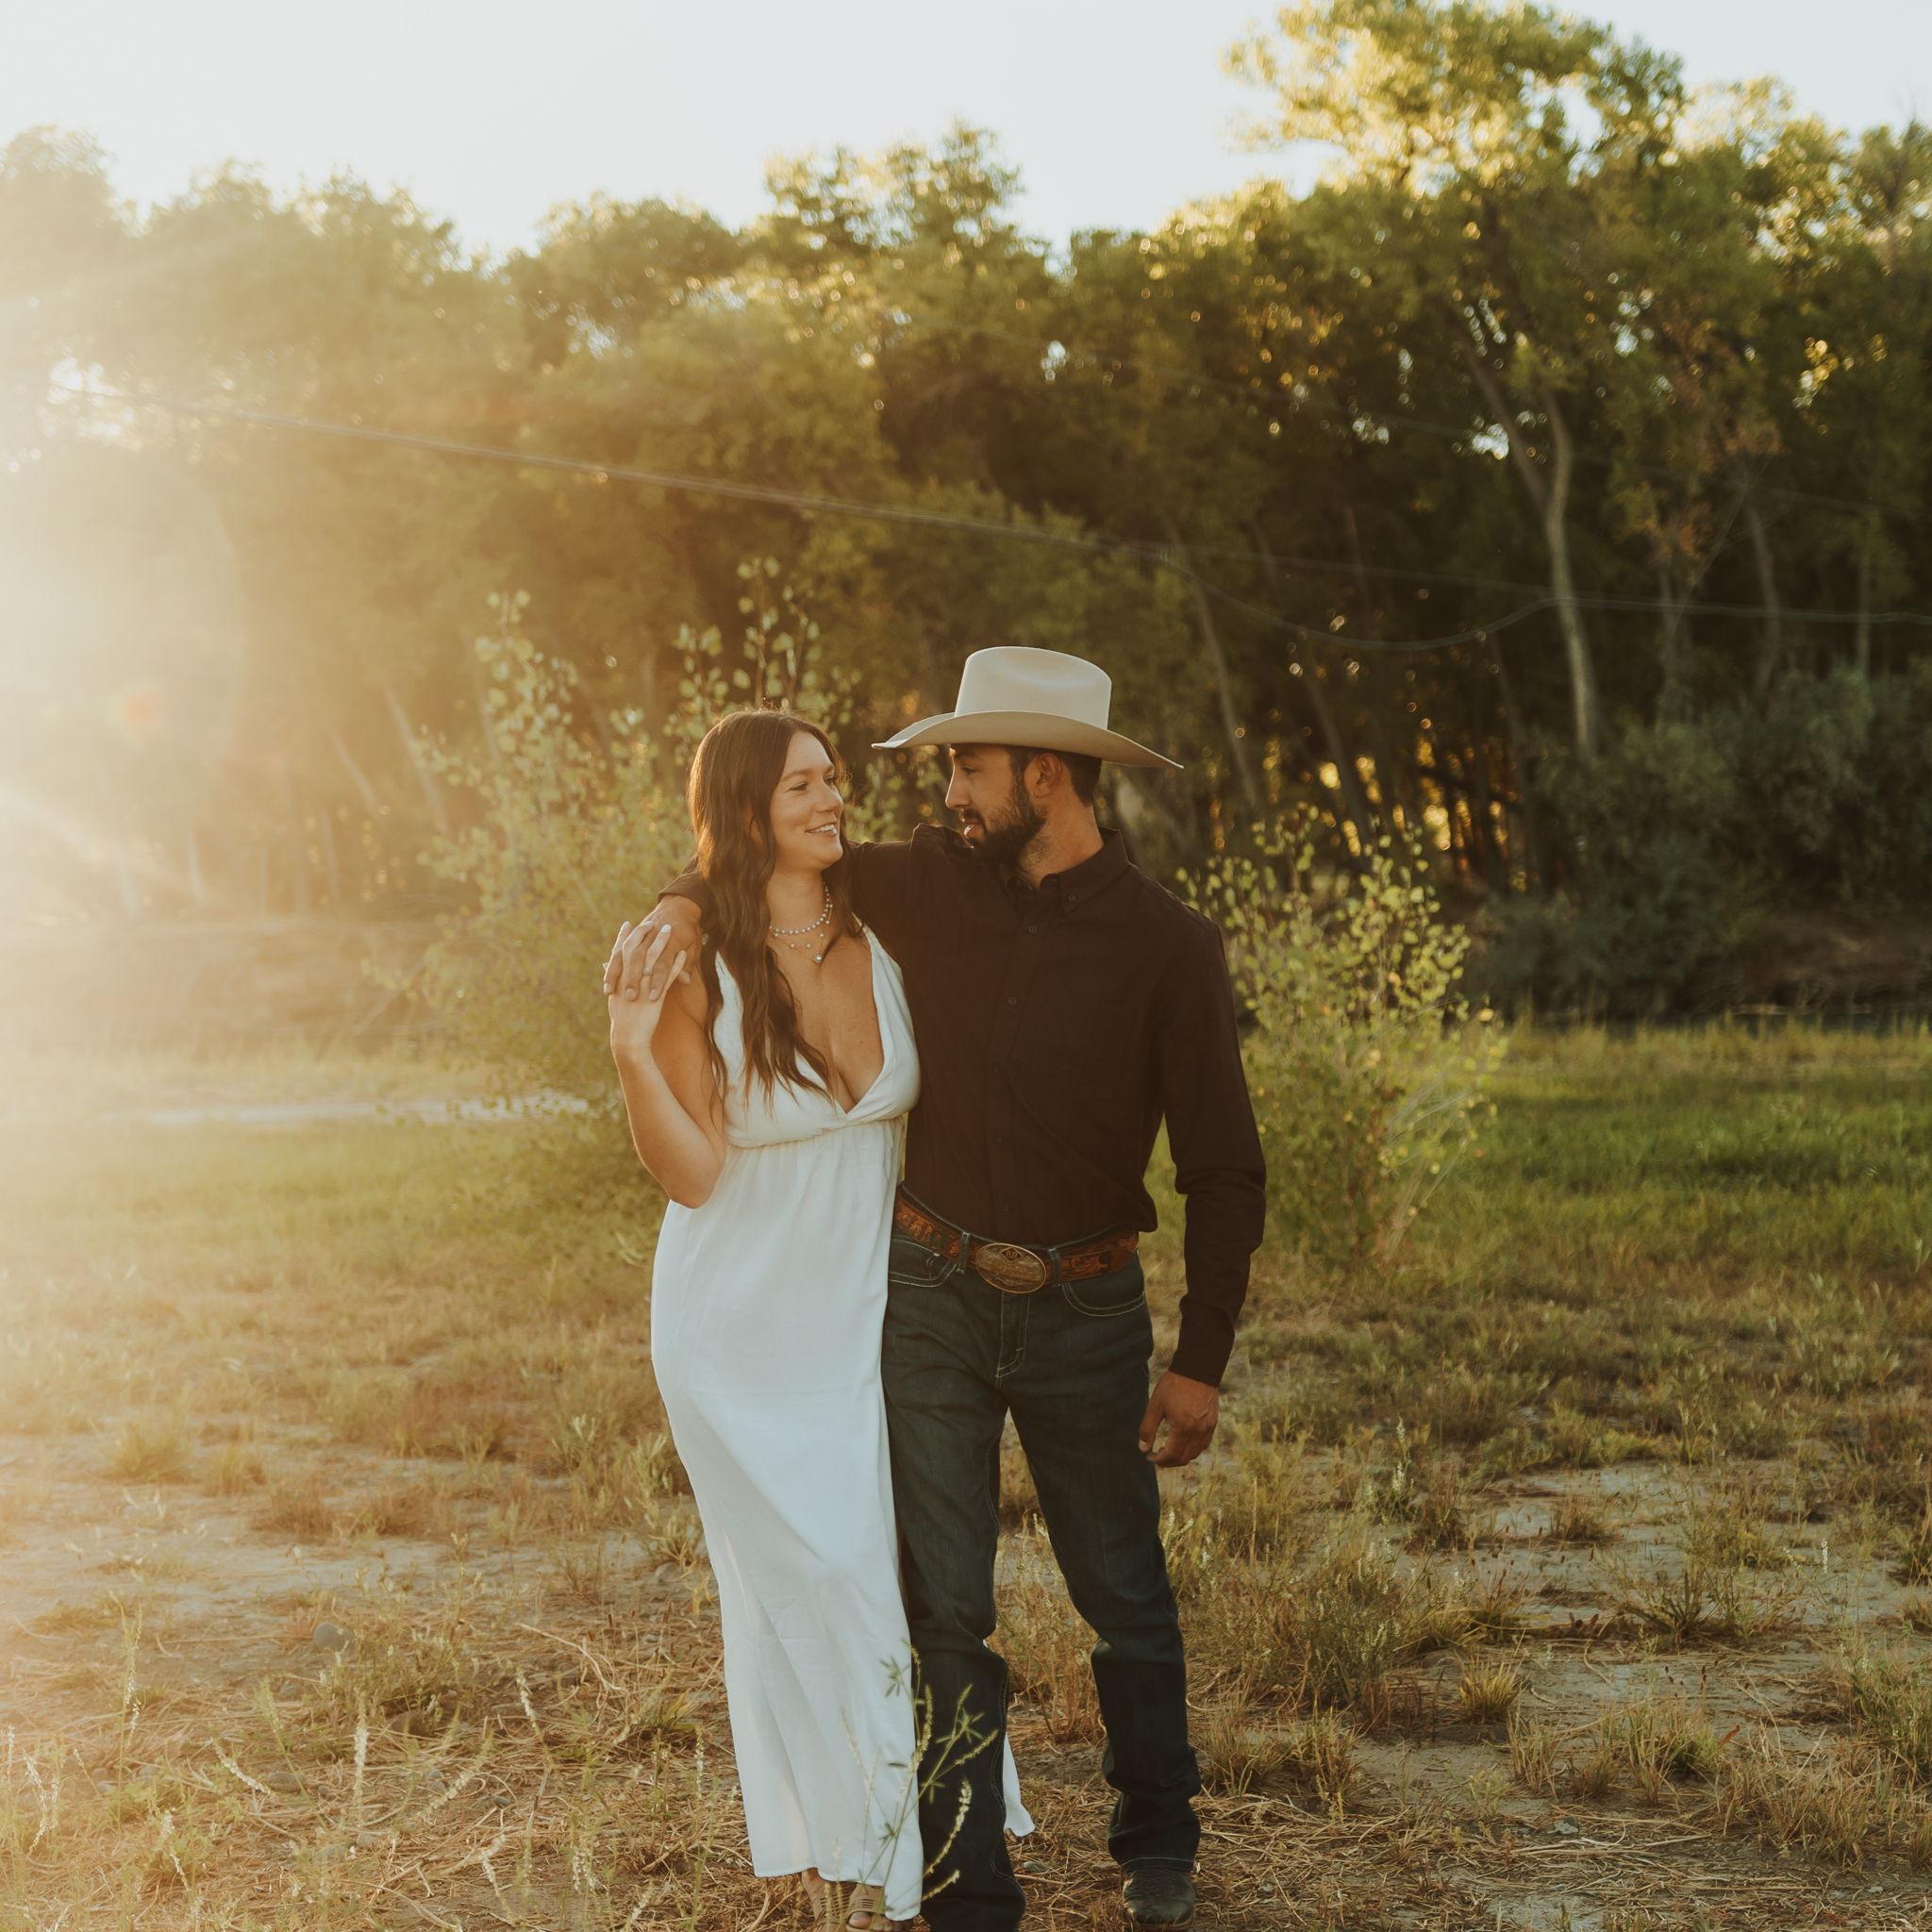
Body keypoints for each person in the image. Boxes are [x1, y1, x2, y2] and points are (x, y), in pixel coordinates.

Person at [614, 647, 1268, 1931]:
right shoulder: (926, 885)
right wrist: (673, 920)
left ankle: (1159, 1843)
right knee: (942, 1606)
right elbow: (738, 856)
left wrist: (1201, 1358)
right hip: (929, 1298)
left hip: (1087, 1310)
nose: (945, 792)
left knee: (1125, 1595)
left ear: (1044, 775)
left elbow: (1225, 1169)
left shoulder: (1170, 948)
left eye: (968, 768)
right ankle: (970, 1880)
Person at [604, 707, 1031, 1932]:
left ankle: (877, 1845)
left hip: (866, 1314)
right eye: (801, 785)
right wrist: (633, 1052)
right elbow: (692, 1173)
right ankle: (877, 1848)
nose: (831, 799)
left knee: (875, 1573)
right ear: (745, 807)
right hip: (737, 1329)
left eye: (833, 778)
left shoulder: (885, 929)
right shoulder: (696, 963)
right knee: (815, 1579)